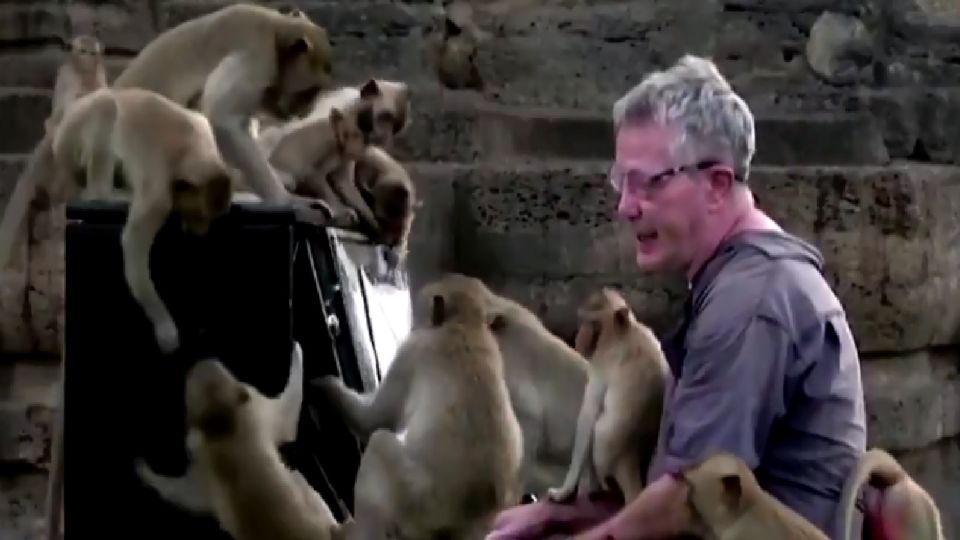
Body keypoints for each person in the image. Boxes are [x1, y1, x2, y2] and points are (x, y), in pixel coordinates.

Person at [486, 55, 867, 540]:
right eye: (621, 182)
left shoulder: (750, 303)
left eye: (648, 182)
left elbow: (690, 505)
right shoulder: (737, 281)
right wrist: (554, 516)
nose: (625, 206)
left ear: (717, 185)